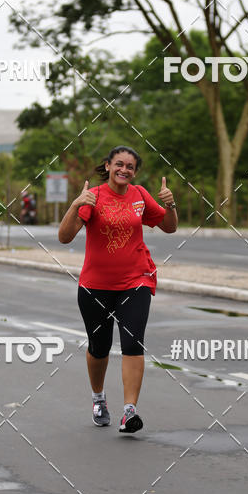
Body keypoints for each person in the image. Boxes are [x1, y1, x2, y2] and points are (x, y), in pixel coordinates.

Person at [58, 146, 178, 434]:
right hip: (94, 287)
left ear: (135, 171)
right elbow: (64, 237)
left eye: (130, 166)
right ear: (108, 166)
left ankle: (129, 412)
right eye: (119, 164)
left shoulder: (139, 195)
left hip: (135, 281)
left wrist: (171, 205)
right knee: (99, 348)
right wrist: (75, 205)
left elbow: (169, 227)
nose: (125, 170)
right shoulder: (94, 197)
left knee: (133, 342)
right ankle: (98, 399)